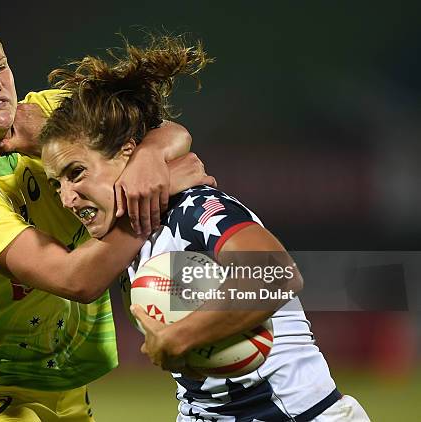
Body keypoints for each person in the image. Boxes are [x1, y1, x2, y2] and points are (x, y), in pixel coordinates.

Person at [0, 11, 216, 422]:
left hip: (63, 382)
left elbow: (172, 132)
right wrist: (158, 193)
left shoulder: (50, 111)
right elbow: (76, 279)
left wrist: (150, 157)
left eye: (0, 66)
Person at [39, 35, 372, 421]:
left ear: (126, 154)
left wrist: (182, 336)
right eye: (56, 184)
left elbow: (273, 274)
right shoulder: (135, 233)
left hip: (294, 413)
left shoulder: (193, 209)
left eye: (76, 174)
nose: (66, 198)